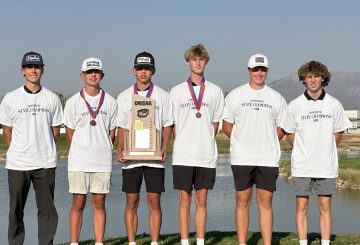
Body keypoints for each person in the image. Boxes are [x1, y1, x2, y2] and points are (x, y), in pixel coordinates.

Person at [222, 54, 288, 245]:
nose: (259, 73)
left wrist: (267, 140)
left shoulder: (276, 97)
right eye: (255, 69)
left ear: (267, 71)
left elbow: (283, 127)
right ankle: (242, 242)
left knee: (265, 203)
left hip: (267, 159)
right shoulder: (236, 95)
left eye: (263, 69)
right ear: (248, 70)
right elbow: (227, 125)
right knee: (242, 201)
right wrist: (241, 139)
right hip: (242, 158)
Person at [0, 51, 63, 245]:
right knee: (15, 210)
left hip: (45, 163)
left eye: (37, 67)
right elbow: (7, 130)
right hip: (18, 164)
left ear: (42, 70)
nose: (33, 70)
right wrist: (19, 150)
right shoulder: (11, 98)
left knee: (47, 211)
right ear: (22, 71)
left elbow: (55, 130)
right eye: (29, 67)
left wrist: (43, 148)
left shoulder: (52, 98)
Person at [285, 61, 351, 245]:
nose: (313, 80)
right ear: (304, 79)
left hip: (326, 166)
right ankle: (303, 242)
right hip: (302, 166)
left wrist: (324, 149)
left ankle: (325, 242)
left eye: (316, 76)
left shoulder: (334, 105)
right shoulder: (295, 105)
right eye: (309, 76)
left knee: (325, 206)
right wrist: (302, 150)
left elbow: (338, 134)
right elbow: (289, 133)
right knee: (301, 205)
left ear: (323, 78)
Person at [169, 44, 224, 245]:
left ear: (206, 62)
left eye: (201, 59)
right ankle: (185, 241)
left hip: (206, 155)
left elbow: (215, 124)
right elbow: (173, 124)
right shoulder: (176, 91)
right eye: (194, 59)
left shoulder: (216, 91)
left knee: (201, 202)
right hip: (183, 155)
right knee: (184, 201)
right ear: (188, 62)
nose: (198, 63)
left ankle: (200, 241)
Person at [117, 51, 173, 245]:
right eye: (140, 68)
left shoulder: (163, 96)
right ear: (134, 70)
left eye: (147, 69)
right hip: (132, 158)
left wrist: (165, 146)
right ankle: (132, 242)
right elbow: (122, 127)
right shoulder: (124, 96)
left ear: (153, 71)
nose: (143, 72)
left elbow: (168, 124)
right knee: (131, 202)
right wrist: (120, 149)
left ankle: (154, 242)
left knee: (154, 202)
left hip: (154, 158)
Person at [63, 57, 118, 245]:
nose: (93, 75)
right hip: (78, 161)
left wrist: (101, 148)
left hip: (102, 161)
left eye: (96, 72)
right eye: (89, 72)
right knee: (78, 203)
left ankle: (99, 242)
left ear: (102, 75)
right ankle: (73, 242)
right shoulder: (72, 102)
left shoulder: (111, 101)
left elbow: (112, 132)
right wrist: (82, 149)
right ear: (82, 75)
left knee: (99, 203)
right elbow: (70, 133)